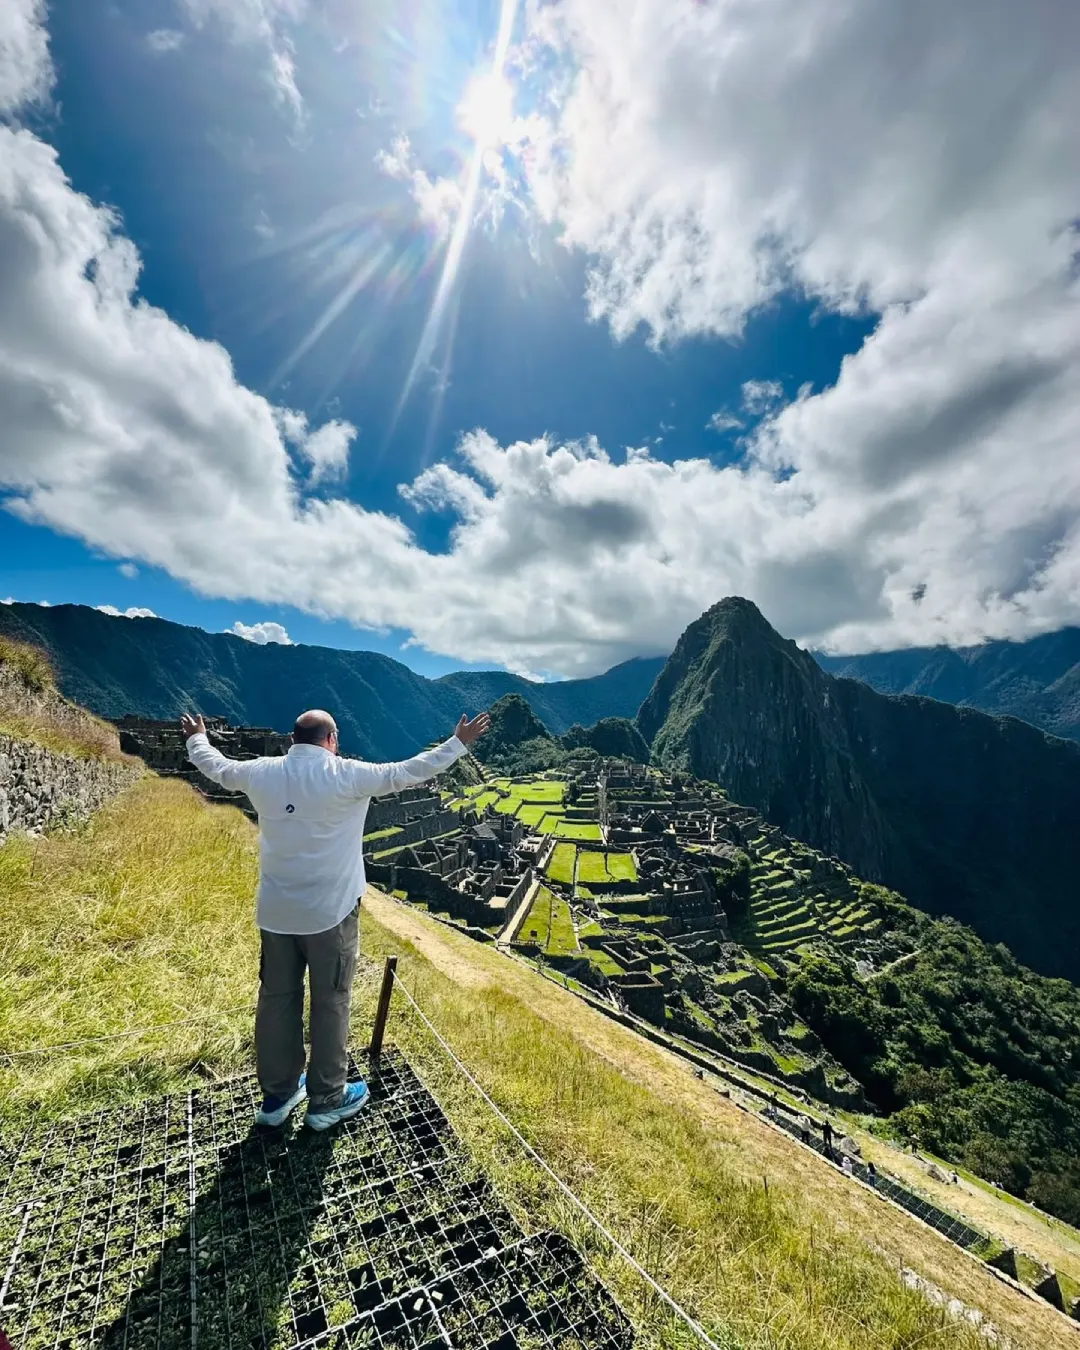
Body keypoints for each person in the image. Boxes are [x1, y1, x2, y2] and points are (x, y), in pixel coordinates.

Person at [181, 707, 490, 1131]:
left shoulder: (261, 773)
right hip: (331, 912)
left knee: (276, 1001)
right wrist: (459, 743)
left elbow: (215, 766)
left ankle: (278, 1096)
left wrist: (197, 737)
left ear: (294, 739)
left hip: (276, 912)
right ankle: (327, 1098)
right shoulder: (347, 774)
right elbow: (409, 772)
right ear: (332, 739)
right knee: (330, 1002)